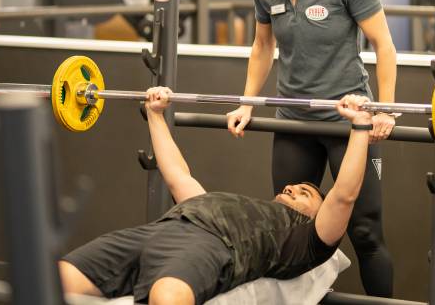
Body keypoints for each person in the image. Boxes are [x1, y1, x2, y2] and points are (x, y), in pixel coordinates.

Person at [59, 87, 375, 305]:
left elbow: (344, 195)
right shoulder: (221, 204)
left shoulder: (306, 241)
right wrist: (155, 114)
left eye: (305, 192)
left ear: (319, 217)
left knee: (167, 297)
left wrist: (360, 127)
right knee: (59, 278)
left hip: (211, 245)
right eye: (293, 186)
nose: (291, 187)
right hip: (158, 231)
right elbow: (178, 175)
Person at [226, 0, 397, 297]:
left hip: (348, 123)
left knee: (366, 231)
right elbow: (262, 47)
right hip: (294, 120)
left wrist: (384, 109)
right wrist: (247, 102)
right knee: (288, 231)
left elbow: (383, 45)